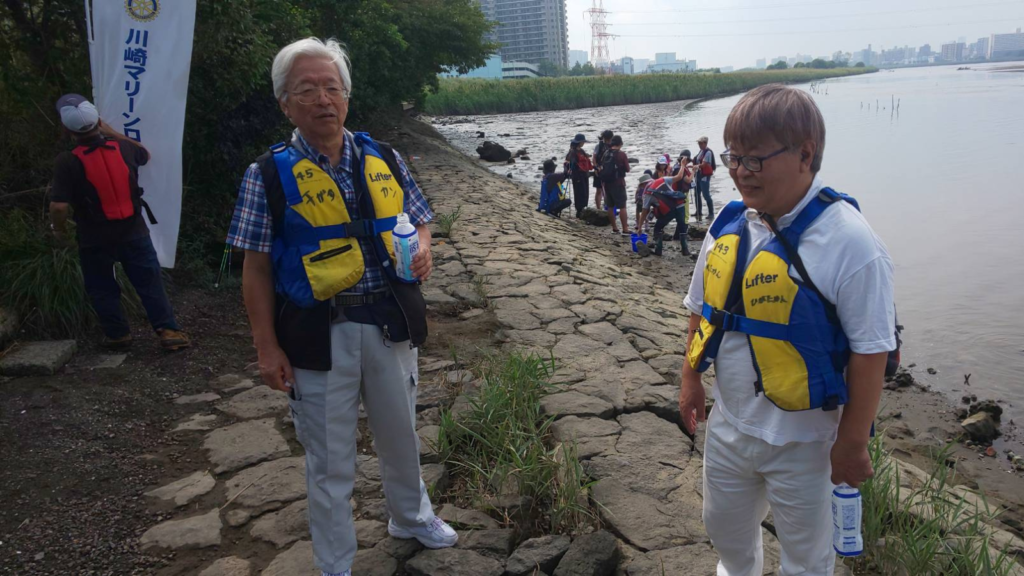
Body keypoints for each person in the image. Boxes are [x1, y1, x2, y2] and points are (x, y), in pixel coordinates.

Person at [225, 38, 457, 576]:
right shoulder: (266, 175)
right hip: (316, 333)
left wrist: (423, 247)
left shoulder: (383, 158)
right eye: (307, 89)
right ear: (285, 102)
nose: (323, 99)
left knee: (400, 432)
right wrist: (266, 348)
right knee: (329, 461)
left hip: (387, 322)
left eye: (333, 87)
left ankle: (411, 516)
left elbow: (419, 219)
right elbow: (254, 269)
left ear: (347, 97)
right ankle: (335, 563)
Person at [678, 84, 895, 575]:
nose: (738, 172)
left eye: (754, 160)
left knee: (807, 559)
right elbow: (701, 308)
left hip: (809, 443)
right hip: (731, 425)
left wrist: (854, 442)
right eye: (734, 158)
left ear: (805, 153)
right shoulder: (729, 223)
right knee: (726, 537)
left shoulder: (853, 243)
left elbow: (871, 350)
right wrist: (691, 376)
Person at [49, 94, 190, 351]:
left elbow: (59, 206)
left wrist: (58, 231)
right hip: (133, 229)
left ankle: (118, 335)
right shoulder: (123, 148)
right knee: (148, 282)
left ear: (66, 129)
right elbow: (144, 154)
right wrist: (111, 131)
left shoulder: (66, 161)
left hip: (94, 236)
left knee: (102, 286)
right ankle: (168, 331)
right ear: (98, 121)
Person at [636, 152, 692, 257]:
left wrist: (639, 227)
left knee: (657, 228)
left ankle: (658, 250)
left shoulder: (647, 193)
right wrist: (683, 165)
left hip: (669, 211)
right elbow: (679, 176)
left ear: (643, 184)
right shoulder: (663, 180)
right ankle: (685, 250)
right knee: (682, 226)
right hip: (680, 205)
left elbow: (644, 212)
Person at [599, 135, 630, 234]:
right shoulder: (621, 154)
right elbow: (627, 169)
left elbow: (601, 166)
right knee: (622, 206)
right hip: (618, 183)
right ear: (620, 144)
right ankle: (625, 229)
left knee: (610, 206)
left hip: (606, 183)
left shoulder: (606, 153)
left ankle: (614, 228)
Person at [565, 133, 593, 214]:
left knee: (585, 192)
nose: (583, 143)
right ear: (579, 142)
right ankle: (579, 210)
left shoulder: (581, 151)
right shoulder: (573, 152)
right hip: (577, 175)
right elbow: (570, 162)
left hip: (584, 174)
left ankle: (584, 208)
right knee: (579, 192)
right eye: (583, 141)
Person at [693, 136, 717, 220]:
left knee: (706, 195)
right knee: (696, 193)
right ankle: (698, 211)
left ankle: (711, 213)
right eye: (698, 143)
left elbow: (704, 164)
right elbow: (697, 160)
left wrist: (695, 166)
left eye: (700, 143)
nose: (699, 145)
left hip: (704, 176)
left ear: (705, 143)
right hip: (698, 175)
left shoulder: (708, 152)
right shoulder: (701, 151)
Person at [590, 130, 614, 215]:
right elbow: (594, 157)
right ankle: (598, 208)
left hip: (608, 171)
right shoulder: (599, 146)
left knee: (608, 190)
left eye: (609, 139)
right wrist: (596, 168)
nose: (607, 141)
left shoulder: (612, 146)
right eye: (606, 139)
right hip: (599, 170)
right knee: (599, 190)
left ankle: (608, 206)